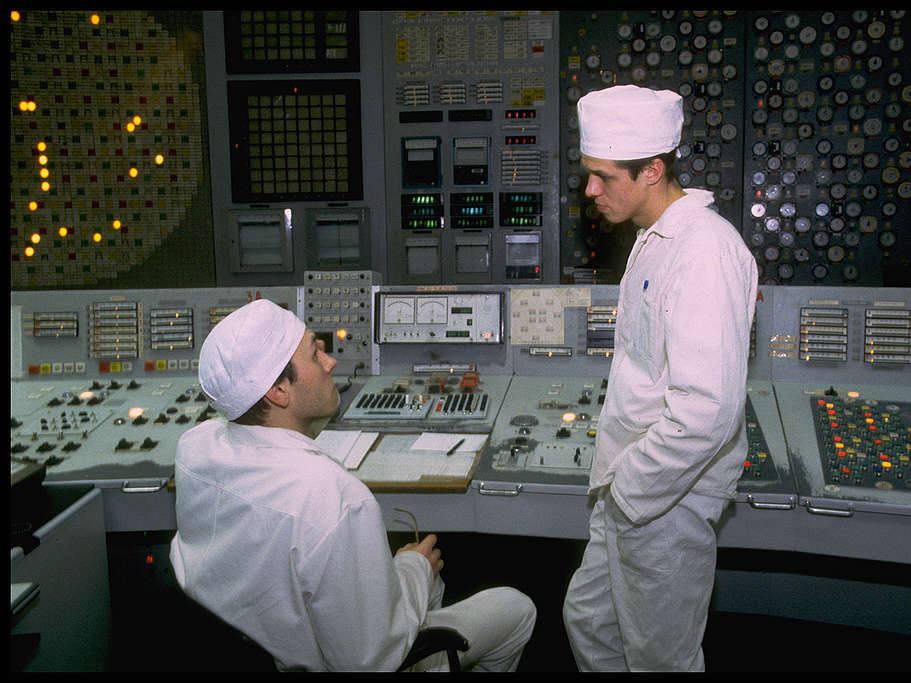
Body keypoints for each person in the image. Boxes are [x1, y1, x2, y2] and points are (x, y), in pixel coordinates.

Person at [169, 299, 536, 671]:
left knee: (427, 582)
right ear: (279, 392)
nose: (331, 363)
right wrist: (413, 566)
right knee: (515, 607)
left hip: (259, 638)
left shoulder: (195, 447)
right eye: (315, 355)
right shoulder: (334, 498)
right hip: (341, 661)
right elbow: (372, 660)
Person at [562, 85, 758, 671]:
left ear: (652, 170)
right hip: (628, 487)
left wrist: (630, 494)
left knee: (659, 658)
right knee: (591, 620)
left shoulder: (704, 252)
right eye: (587, 174)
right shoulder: (654, 240)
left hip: (664, 498)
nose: (590, 190)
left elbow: (706, 410)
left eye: (603, 176)